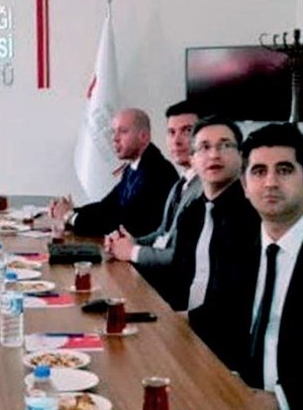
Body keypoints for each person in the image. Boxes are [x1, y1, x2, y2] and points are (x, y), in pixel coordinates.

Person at [194, 124, 303, 410]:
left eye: (284, 170)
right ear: (244, 185)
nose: (270, 182)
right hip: (238, 406)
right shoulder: (238, 246)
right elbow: (214, 317)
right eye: (258, 171)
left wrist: (281, 401)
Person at [166, 116, 260, 322]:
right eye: (204, 147)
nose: (214, 154)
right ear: (192, 159)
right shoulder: (191, 213)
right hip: (181, 325)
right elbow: (177, 277)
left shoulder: (253, 215)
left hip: (222, 332)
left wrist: (182, 319)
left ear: (241, 156)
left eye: (225, 145)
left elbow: (236, 300)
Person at [50, 108, 178, 237]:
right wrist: (70, 210)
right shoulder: (132, 168)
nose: (115, 138)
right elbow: (107, 207)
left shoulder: (158, 172)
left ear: (144, 137)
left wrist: (69, 216)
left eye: (123, 131)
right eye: (113, 132)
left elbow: (122, 223)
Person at [106, 100, 202, 268]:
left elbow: (183, 256)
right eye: (171, 132)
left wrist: (132, 251)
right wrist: (128, 243)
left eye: (187, 131)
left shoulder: (206, 189)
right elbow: (162, 234)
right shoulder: (180, 184)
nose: (176, 141)